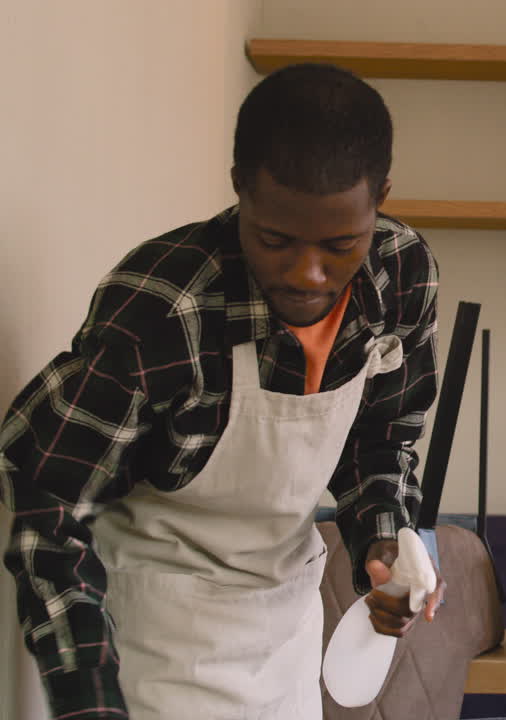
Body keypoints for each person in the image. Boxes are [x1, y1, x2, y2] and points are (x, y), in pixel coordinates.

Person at [1, 63, 445, 719]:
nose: (308, 275)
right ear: (239, 188)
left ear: (380, 196)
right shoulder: (164, 308)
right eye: (275, 240)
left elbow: (382, 439)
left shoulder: (401, 274)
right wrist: (87, 697)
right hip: (155, 644)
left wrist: (386, 547)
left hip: (286, 631)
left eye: (340, 244)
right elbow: (46, 498)